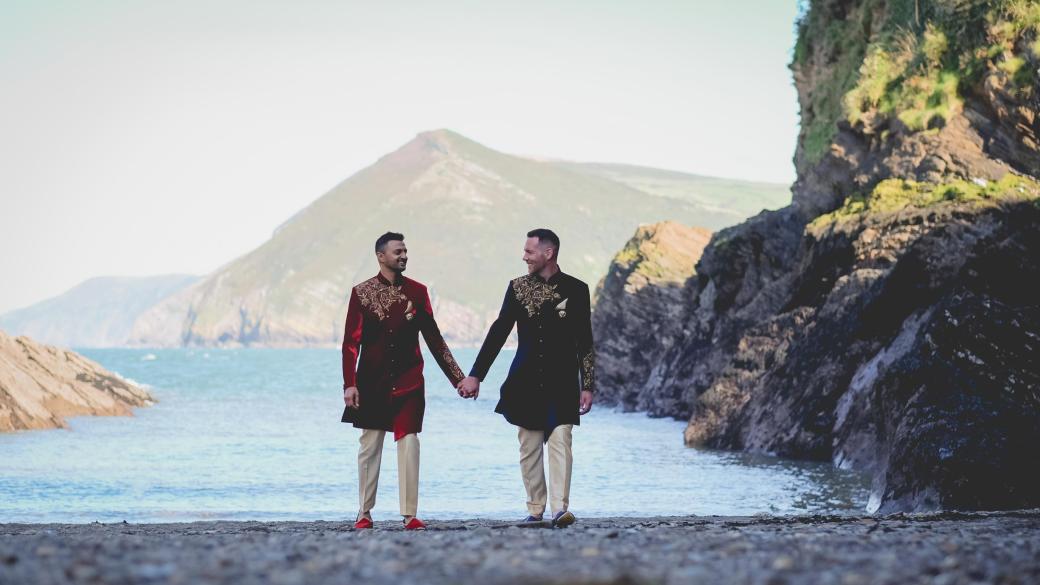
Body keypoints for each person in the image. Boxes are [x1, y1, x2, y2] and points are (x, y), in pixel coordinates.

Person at [458, 228, 595, 528]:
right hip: (525, 380)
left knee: (561, 439)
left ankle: (560, 510)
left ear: (549, 253)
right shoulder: (517, 287)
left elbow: (584, 340)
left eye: (529, 252)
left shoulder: (577, 289)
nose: (524, 256)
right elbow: (499, 331)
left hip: (562, 381)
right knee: (529, 446)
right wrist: (476, 375)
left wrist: (588, 384)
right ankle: (536, 509)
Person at [342, 231, 468, 530]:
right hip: (371, 383)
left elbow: (435, 340)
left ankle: (410, 515)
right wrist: (349, 384)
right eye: (398, 252)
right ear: (381, 256)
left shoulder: (418, 291)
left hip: (410, 380)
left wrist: (459, 379)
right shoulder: (361, 292)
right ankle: (364, 513)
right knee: (370, 445)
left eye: (405, 251)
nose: (404, 256)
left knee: (410, 442)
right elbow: (350, 343)